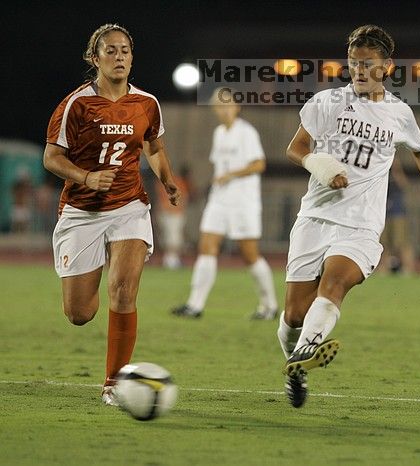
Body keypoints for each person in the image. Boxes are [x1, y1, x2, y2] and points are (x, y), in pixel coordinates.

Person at [278, 24, 420, 408]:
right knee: (293, 315)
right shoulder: (326, 103)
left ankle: (306, 350)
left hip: (361, 223)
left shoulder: (398, 113)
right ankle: (297, 361)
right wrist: (319, 164)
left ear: (387, 66)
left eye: (367, 64)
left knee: (336, 284)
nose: (358, 70)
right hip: (316, 216)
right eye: (353, 63)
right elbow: (295, 148)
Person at [43, 24, 180, 406]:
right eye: (111, 51)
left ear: (132, 57)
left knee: (123, 290)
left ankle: (114, 382)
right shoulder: (76, 104)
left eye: (125, 51)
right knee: (80, 313)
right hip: (81, 212)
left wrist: (166, 180)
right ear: (95, 58)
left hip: (129, 207)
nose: (119, 57)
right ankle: (92, 264)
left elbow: (153, 145)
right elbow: (51, 158)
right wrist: (85, 176)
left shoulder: (147, 103)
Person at [171, 89, 278, 320]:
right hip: (219, 201)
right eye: (219, 105)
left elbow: (259, 164)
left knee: (250, 254)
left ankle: (269, 306)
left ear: (237, 106)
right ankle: (195, 305)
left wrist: (231, 174)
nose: (224, 109)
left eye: (227, 104)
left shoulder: (246, 132)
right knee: (206, 247)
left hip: (243, 202)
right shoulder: (219, 133)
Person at [379, 156, 416, 275]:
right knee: (384, 243)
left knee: (401, 242)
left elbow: (404, 185)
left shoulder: (396, 174)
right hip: (383, 213)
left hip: (397, 212)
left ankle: (408, 268)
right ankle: (383, 268)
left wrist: (396, 168)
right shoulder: (380, 174)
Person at [156, 165, 191, 270]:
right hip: (168, 213)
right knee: (169, 238)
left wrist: (182, 211)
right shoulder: (161, 183)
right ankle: (169, 259)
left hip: (175, 213)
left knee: (175, 237)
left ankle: (172, 259)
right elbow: (160, 199)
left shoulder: (178, 181)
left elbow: (184, 198)